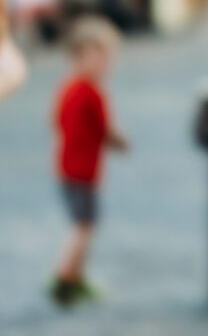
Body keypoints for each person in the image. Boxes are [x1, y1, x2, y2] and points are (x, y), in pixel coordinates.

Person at [50, 16, 128, 306]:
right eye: (99, 57)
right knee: (83, 226)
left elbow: (57, 123)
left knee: (84, 223)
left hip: (68, 168)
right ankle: (63, 277)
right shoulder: (92, 93)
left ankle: (76, 277)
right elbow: (106, 130)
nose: (105, 64)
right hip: (81, 171)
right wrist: (119, 142)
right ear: (78, 57)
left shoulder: (67, 88)